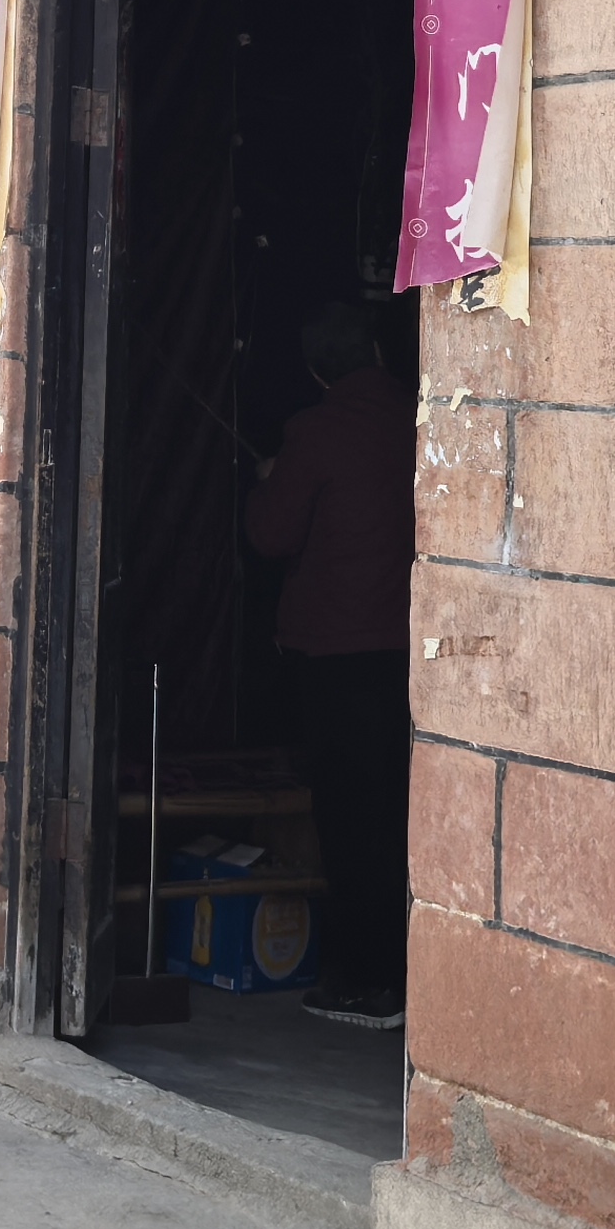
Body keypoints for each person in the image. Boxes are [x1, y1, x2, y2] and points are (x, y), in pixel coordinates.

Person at [241, 299, 422, 1027]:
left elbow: (271, 535)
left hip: (337, 657)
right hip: (407, 651)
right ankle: (406, 973)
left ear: (317, 372)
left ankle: (368, 981)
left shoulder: (315, 433)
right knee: (398, 812)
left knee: (350, 823)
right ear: (376, 354)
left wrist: (267, 480)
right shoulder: (417, 416)